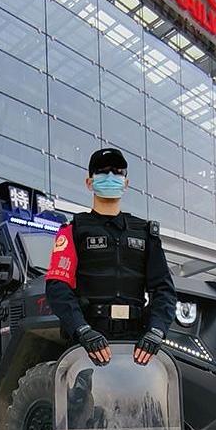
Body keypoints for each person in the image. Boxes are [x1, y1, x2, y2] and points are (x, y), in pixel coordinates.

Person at [45, 148, 176, 366]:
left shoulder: (145, 233)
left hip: (136, 347)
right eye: (103, 172)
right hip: (87, 346)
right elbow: (57, 286)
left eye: (117, 172)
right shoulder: (73, 230)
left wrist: (156, 331)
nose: (110, 177)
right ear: (89, 183)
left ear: (126, 182)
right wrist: (82, 330)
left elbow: (164, 289)